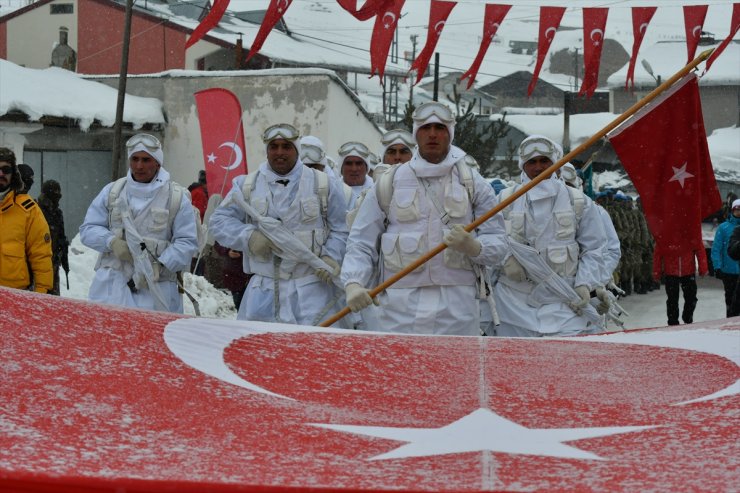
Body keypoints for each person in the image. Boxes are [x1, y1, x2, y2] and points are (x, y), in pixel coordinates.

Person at [340, 101, 508, 335]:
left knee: (454, 370)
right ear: (415, 134)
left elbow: (498, 242)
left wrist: (475, 247)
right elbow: (361, 241)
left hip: (457, 307)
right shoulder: (389, 182)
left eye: (440, 128)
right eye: (425, 128)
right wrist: (353, 282)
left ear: (450, 133)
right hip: (399, 307)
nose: (432, 134)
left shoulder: (472, 183)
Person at [208, 123, 349, 325]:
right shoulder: (247, 185)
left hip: (314, 290)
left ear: (296, 150)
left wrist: (331, 255)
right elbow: (219, 222)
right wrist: (249, 237)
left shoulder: (323, 184)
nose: (280, 152)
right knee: (259, 351)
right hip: (264, 290)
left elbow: (341, 229)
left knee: (312, 352)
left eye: (286, 146)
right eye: (274, 146)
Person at [494, 135, 607, 337]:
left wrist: (585, 283)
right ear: (523, 166)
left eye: (544, 161)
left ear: (556, 164)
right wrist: (505, 258)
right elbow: (490, 239)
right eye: (532, 162)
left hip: (564, 301)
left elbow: (595, 248)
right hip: (513, 305)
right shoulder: (504, 200)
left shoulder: (578, 201)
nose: (538, 168)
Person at [79, 134, 199, 313]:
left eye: (146, 160)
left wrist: (160, 266)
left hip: (156, 291)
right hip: (110, 289)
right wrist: (111, 242)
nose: (139, 166)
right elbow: (88, 230)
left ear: (158, 163)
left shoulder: (176, 198)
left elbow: (187, 242)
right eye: (134, 159)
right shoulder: (113, 192)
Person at [0, 147, 53, 293]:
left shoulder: (28, 210)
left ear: (14, 174)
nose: (1, 174)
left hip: (15, 295)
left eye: (6, 170)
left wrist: (42, 293)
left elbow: (41, 254)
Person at [653, 239, 706, 326]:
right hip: (671, 271)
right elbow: (658, 253)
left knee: (691, 297)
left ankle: (687, 317)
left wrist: (703, 268)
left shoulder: (690, 232)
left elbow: (699, 248)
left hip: (688, 271)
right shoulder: (667, 233)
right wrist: (657, 272)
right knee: (672, 299)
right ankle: (673, 322)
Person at [37, 180, 69, 295]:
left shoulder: (57, 213)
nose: (58, 196)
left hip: (53, 263)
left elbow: (61, 236)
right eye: (55, 193)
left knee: (53, 300)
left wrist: (62, 250)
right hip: (38, 264)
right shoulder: (36, 210)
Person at [711, 199, 740, 317]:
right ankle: (730, 321)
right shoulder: (723, 228)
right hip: (729, 271)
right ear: (732, 211)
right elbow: (716, 248)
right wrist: (717, 266)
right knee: (731, 299)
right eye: (737, 210)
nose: (739, 212)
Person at [338, 141, 374, 208]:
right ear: (341, 167)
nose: (354, 169)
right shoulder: (332, 191)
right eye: (348, 163)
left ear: (367, 168)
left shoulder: (376, 191)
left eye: (358, 163)